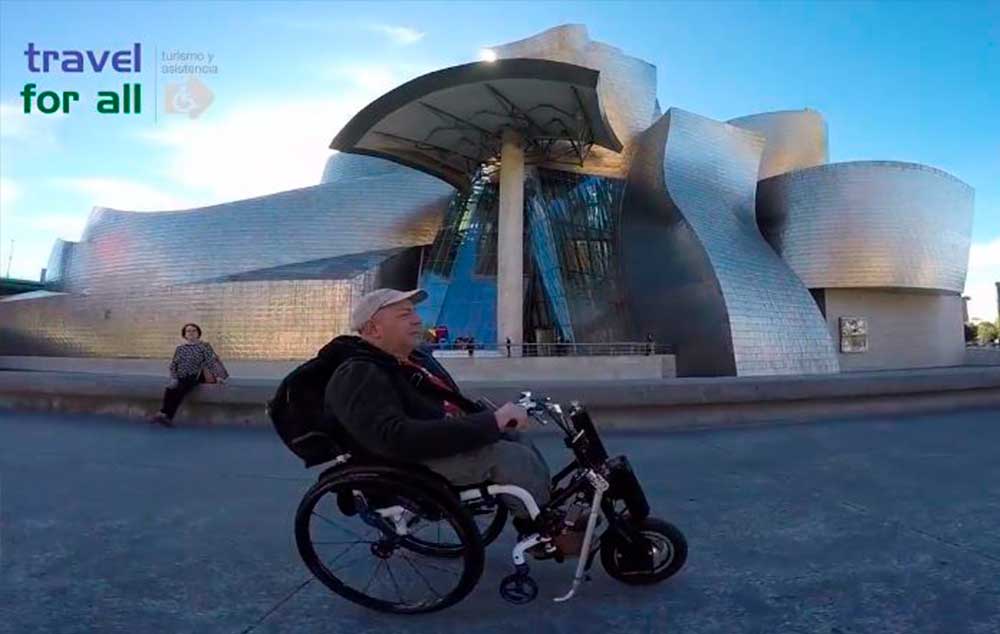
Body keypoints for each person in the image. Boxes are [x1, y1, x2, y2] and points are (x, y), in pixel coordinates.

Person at [324, 288, 580, 552]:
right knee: (511, 457)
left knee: (516, 438)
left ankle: (542, 510)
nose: (416, 320)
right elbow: (394, 438)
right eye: (404, 315)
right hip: (410, 461)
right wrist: (490, 423)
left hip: (433, 441)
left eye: (413, 312)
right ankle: (538, 532)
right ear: (373, 329)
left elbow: (447, 403)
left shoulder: (410, 360)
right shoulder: (358, 373)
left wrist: (492, 419)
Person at [149, 323, 229, 427]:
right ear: (184, 334)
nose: (191, 333)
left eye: (194, 330)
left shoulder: (204, 346)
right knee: (170, 389)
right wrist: (174, 377)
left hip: (195, 375)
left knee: (180, 389)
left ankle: (163, 414)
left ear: (198, 333)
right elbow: (173, 365)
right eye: (188, 331)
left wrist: (218, 377)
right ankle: (166, 416)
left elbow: (210, 362)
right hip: (180, 376)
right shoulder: (180, 348)